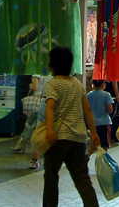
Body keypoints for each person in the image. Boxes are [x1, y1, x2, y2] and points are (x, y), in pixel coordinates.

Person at [42, 47, 100, 207]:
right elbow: (87, 110)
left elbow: (50, 107)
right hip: (78, 139)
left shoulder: (53, 84)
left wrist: (49, 130)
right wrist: (93, 133)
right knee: (82, 178)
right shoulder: (77, 84)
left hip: (58, 139)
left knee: (51, 177)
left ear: (53, 64)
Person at [87, 79, 114, 149]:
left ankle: (89, 154)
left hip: (93, 123)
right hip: (105, 122)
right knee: (104, 144)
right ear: (102, 84)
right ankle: (103, 155)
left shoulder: (89, 95)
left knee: (95, 144)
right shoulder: (106, 95)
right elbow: (110, 110)